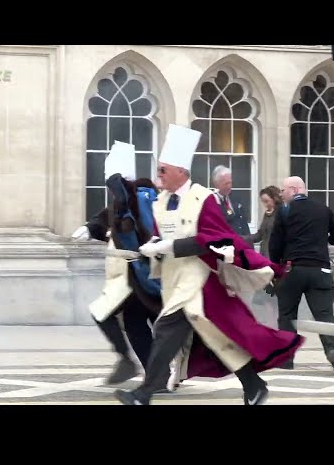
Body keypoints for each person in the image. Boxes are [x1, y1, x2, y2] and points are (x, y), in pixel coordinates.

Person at [113, 124, 305, 406]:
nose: (159, 175)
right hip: (174, 280)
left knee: (166, 331)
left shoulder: (204, 198)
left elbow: (214, 240)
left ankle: (144, 394)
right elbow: (159, 234)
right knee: (216, 338)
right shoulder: (161, 201)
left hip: (199, 280)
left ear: (181, 171)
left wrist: (169, 246)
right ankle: (254, 385)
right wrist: (149, 248)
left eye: (163, 170)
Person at [72, 141, 171, 389]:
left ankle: (144, 368)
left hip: (140, 275)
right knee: (139, 323)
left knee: (130, 321)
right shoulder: (125, 202)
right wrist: (90, 228)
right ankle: (153, 371)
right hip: (130, 277)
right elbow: (107, 217)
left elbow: (125, 219)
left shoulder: (139, 200)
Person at [268, 176, 334, 375]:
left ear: (294, 190)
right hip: (320, 270)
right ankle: (333, 352)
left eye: (283, 190)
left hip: (292, 269)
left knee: (287, 315)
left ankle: (287, 359)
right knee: (324, 315)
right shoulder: (323, 209)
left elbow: (275, 244)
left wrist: (276, 266)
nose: (281, 194)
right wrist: (325, 240)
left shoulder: (285, 212)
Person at [211, 165, 251, 236]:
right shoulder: (212, 201)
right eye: (226, 184)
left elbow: (243, 222)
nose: (229, 186)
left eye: (230, 182)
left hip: (242, 242)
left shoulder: (236, 198)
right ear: (216, 184)